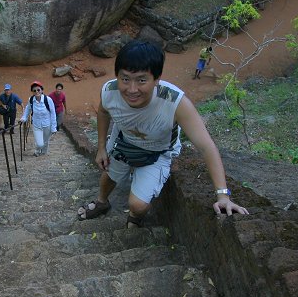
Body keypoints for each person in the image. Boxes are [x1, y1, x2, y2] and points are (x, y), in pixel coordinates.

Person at [77, 40, 248, 227]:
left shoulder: (175, 103)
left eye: (141, 80)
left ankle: (135, 216)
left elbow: (206, 147)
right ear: (117, 76)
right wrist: (101, 147)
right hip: (123, 139)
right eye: (125, 79)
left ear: (157, 79)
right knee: (110, 174)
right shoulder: (110, 91)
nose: (132, 89)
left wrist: (222, 195)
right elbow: (103, 112)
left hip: (157, 150)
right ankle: (102, 202)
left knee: (138, 205)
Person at [20, 81, 57, 156]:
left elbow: (53, 114)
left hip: (47, 124)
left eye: (38, 90)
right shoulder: (31, 100)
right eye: (34, 90)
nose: (37, 92)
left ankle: (43, 153)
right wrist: (24, 118)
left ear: (42, 90)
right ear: (32, 92)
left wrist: (53, 127)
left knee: (45, 141)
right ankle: (37, 151)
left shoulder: (48, 100)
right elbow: (28, 109)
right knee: (40, 143)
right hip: (36, 125)